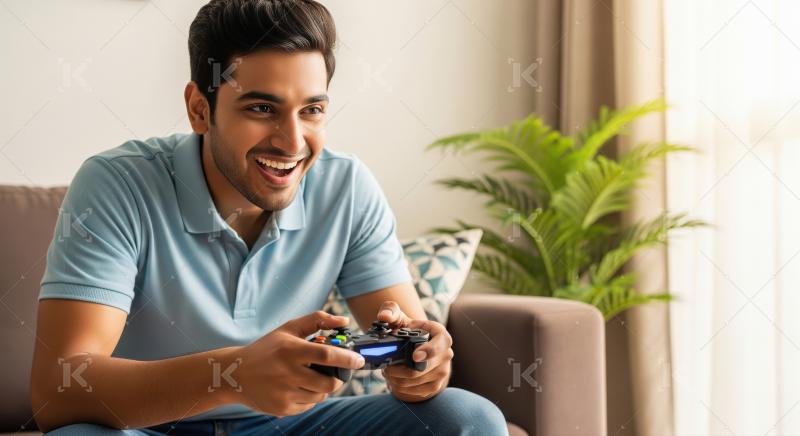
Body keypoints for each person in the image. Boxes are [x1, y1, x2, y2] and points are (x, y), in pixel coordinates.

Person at [29, 1, 508, 434]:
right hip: (149, 428)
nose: (292, 142)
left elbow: (409, 352)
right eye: (262, 108)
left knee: (466, 418)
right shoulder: (117, 183)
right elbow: (59, 388)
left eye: (312, 110)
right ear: (200, 109)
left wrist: (423, 367)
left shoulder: (347, 187)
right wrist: (233, 376)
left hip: (288, 427)